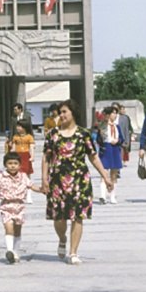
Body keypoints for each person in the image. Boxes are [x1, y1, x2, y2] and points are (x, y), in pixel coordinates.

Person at [41, 99, 113, 265]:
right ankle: (62, 238)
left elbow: (93, 157)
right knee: (58, 218)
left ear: (73, 113)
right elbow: (46, 157)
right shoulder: (53, 134)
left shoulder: (83, 134)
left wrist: (105, 176)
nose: (62, 115)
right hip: (57, 181)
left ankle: (73, 252)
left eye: (65, 112)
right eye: (60, 112)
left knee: (78, 216)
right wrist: (44, 179)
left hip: (80, 181)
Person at [0, 152, 44, 263]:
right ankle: (9, 251)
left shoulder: (23, 176)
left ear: (19, 165)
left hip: (19, 206)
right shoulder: (1, 176)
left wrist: (42, 189)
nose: (12, 166)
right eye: (10, 163)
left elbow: (31, 185)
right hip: (6, 205)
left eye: (15, 163)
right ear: (5, 164)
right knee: (8, 227)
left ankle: (16, 252)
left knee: (18, 230)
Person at [97, 105, 124, 204]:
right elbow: (98, 139)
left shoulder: (117, 127)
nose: (115, 115)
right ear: (108, 115)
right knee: (104, 173)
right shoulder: (102, 126)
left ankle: (112, 196)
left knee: (114, 174)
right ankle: (103, 196)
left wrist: (118, 141)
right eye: (113, 113)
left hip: (115, 150)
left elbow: (122, 138)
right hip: (106, 149)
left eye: (116, 113)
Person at [10, 119, 35, 203]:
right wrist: (10, 157)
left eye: (20, 126)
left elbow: (31, 147)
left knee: (27, 176)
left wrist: (32, 156)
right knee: (17, 175)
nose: (18, 128)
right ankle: (18, 194)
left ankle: (28, 194)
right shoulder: (15, 137)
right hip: (18, 157)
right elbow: (13, 148)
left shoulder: (29, 137)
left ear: (25, 127)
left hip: (26, 156)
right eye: (17, 126)